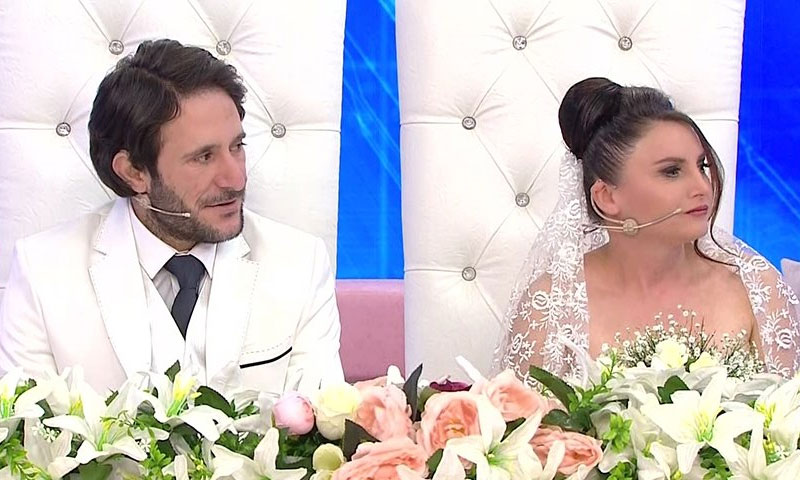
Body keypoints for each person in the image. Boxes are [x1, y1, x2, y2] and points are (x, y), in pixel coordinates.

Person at [0, 39, 344, 395]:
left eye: (237, 147)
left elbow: (323, 420)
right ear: (134, 172)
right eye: (204, 157)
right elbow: (26, 427)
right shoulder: (43, 273)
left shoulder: (300, 263)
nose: (236, 179)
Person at [495, 77, 799, 384]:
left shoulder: (756, 288)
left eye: (702, 166)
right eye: (671, 171)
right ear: (607, 197)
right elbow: (528, 414)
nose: (702, 187)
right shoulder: (551, 305)